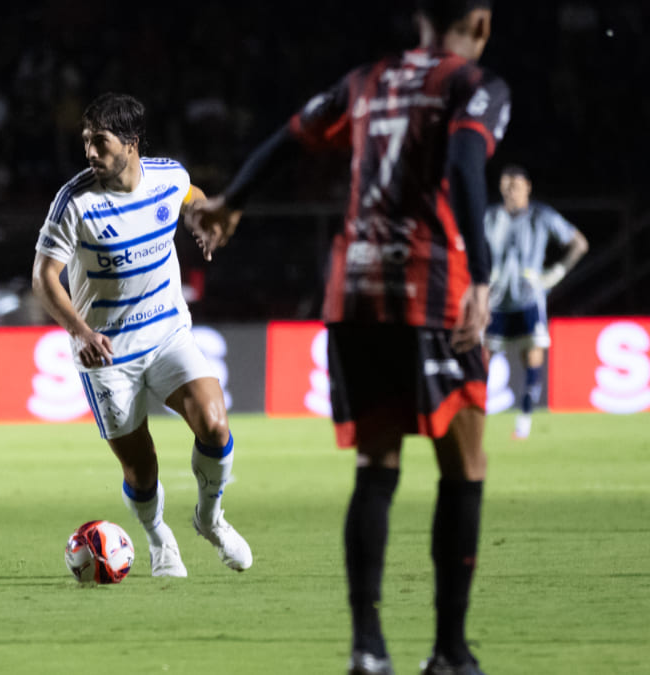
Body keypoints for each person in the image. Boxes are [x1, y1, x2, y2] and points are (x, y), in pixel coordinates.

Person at [185, 1, 508, 673]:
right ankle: (449, 649)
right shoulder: (472, 85)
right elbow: (467, 166)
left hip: (353, 288)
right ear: (479, 23)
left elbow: (288, 139)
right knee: (464, 467)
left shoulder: (365, 81)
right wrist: (481, 272)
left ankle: (367, 648)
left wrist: (231, 200)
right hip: (431, 285)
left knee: (376, 468)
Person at [31, 92, 252, 578]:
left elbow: (190, 194)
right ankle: (158, 538)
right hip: (107, 353)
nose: (90, 152)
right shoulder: (75, 201)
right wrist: (81, 331)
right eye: (86, 141)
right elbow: (44, 278)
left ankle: (210, 519)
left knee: (215, 425)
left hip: (168, 334)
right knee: (141, 467)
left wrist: (199, 217)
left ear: (131, 143)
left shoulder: (167, 177)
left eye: (100, 142)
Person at [484, 164, 587, 439]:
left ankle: (524, 421)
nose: (510, 191)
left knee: (531, 356)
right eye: (505, 186)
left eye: (515, 186)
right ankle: (475, 420)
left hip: (529, 300)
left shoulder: (542, 216)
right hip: (496, 302)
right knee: (482, 360)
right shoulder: (491, 217)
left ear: (527, 187)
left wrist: (556, 273)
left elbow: (579, 243)